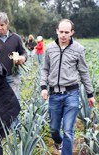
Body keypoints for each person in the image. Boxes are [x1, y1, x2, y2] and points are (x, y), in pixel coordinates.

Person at [40, 19, 95, 155]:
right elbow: (45, 69)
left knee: (68, 131)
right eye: (61, 31)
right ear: (57, 31)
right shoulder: (49, 48)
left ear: (72, 32)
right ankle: (58, 141)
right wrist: (43, 87)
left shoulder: (78, 49)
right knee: (53, 129)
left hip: (71, 94)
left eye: (66, 32)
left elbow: (83, 72)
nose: (63, 35)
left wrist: (90, 94)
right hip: (54, 95)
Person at [0, 12, 27, 99]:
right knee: (0, 102)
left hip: (12, 76)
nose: (0, 28)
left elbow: (24, 52)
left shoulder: (16, 38)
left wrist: (23, 58)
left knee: (14, 101)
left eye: (2, 25)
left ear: (7, 24)